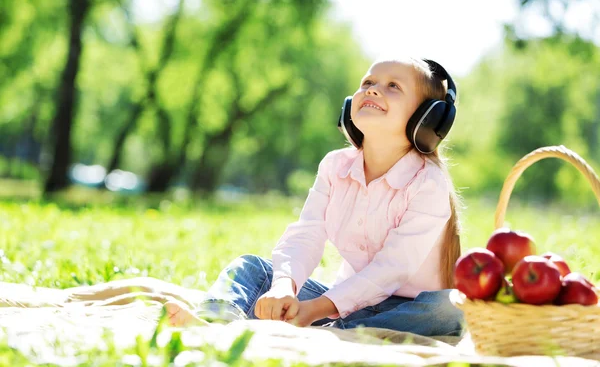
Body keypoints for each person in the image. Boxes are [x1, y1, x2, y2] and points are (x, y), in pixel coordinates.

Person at [61, 56, 464, 336]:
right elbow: (306, 233)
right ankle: (218, 324)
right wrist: (284, 287)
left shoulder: (428, 183)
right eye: (367, 83)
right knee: (253, 267)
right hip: (347, 301)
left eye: (393, 86)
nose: (373, 90)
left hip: (402, 306)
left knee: (450, 306)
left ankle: (329, 330)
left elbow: (389, 271)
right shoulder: (335, 166)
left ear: (428, 119)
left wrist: (316, 310)